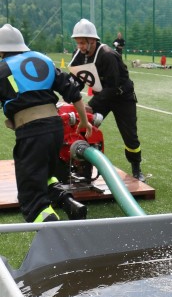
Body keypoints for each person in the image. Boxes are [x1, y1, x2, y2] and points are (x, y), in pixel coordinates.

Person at [0, 24, 91, 222]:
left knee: (31, 199)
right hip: (56, 128)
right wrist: (84, 121)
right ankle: (69, 203)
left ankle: (54, 234)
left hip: (31, 132)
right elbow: (73, 92)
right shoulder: (44, 60)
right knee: (46, 174)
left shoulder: (3, 67)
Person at [69, 19, 146, 182]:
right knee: (84, 127)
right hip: (102, 95)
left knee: (130, 135)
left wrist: (90, 105)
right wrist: (69, 95)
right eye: (78, 43)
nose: (80, 46)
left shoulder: (108, 55)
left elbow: (112, 87)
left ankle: (136, 168)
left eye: (82, 42)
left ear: (92, 40)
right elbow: (77, 78)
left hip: (122, 97)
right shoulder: (79, 54)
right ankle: (84, 169)